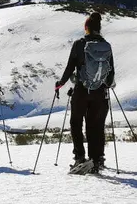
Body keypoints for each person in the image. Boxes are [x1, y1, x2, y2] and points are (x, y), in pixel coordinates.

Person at [55, 12, 115, 174]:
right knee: (95, 126)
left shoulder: (79, 44)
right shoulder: (106, 45)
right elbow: (111, 72)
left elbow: (70, 67)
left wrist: (60, 84)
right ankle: (97, 159)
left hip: (82, 89)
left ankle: (80, 157)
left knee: (76, 123)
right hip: (100, 92)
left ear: (86, 28)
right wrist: (106, 85)